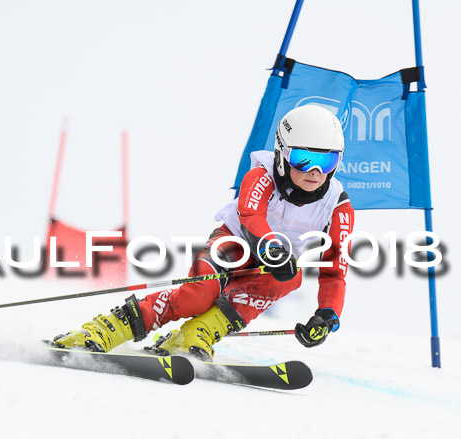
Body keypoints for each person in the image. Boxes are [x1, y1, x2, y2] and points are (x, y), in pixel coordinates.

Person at [50, 105, 355, 360]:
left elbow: (335, 271)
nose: (316, 172)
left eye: (328, 160)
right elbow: (250, 215)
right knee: (198, 295)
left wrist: (327, 315)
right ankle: (105, 328)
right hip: (233, 246)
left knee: (290, 276)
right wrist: (271, 245)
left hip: (273, 265)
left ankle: (197, 334)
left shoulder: (337, 207)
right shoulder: (261, 175)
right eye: (304, 159)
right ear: (281, 153)